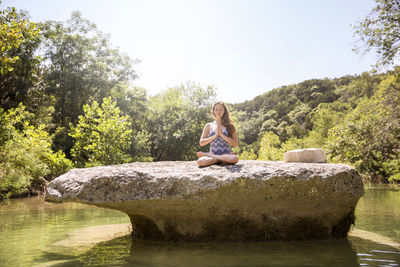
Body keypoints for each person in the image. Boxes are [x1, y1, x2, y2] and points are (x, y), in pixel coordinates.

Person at [196, 101, 239, 167]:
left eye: (221, 109)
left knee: (235, 158)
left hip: (226, 154)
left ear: (224, 111)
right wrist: (215, 136)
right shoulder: (209, 125)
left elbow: (235, 144)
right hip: (213, 154)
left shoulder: (230, 126)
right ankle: (219, 159)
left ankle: (215, 158)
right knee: (200, 162)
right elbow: (201, 143)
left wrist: (222, 135)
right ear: (213, 111)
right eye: (216, 109)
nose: (218, 111)